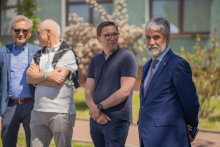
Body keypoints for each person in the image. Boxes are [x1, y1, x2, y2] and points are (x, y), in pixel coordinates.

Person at [138, 16, 200, 147]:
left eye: (156, 37)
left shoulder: (177, 65)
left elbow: (190, 101)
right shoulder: (147, 66)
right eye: (148, 37)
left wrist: (191, 128)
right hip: (147, 137)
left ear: (167, 39)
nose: (151, 42)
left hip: (169, 139)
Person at [85, 21, 138, 147]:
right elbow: (88, 90)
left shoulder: (127, 57)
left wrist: (98, 108)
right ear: (99, 38)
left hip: (116, 120)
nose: (112, 38)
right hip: (96, 120)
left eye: (115, 34)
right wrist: (95, 111)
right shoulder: (95, 60)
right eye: (107, 35)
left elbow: (124, 91)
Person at [26, 19, 78, 147]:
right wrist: (47, 75)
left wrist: (37, 78)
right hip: (38, 111)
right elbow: (28, 78)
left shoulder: (67, 53)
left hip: (60, 112)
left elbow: (57, 82)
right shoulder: (39, 54)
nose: (37, 36)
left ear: (48, 32)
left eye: (38, 33)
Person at [0, 15, 41, 147]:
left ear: (29, 33)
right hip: (9, 106)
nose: (21, 34)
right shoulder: (2, 52)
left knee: (33, 143)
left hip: (31, 105)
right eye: (17, 30)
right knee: (7, 142)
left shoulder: (38, 52)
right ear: (12, 31)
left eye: (24, 31)